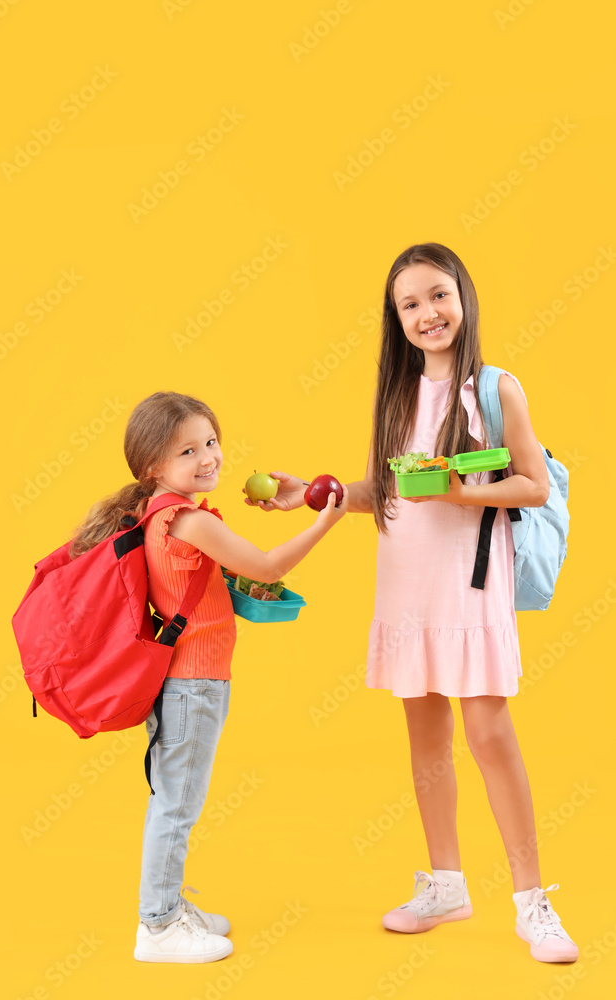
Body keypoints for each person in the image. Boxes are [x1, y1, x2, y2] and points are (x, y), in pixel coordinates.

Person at [245, 243, 578, 964]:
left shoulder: (496, 388)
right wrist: (313, 492)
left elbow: (533, 486)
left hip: (470, 583)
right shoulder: (394, 397)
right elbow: (387, 492)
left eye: (438, 295)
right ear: (395, 321)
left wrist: (459, 491)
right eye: (410, 304)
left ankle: (531, 902)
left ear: (463, 298)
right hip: (405, 584)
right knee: (426, 742)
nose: (427, 313)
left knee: (489, 736)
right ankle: (446, 884)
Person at [69, 390, 348, 964]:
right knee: (177, 804)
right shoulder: (188, 519)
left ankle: (167, 906)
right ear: (153, 468)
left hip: (185, 681)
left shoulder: (160, 513)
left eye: (212, 442)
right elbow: (269, 564)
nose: (209, 458)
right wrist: (327, 519)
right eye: (188, 451)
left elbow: (198, 591)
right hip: (194, 685)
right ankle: (158, 926)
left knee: (174, 799)